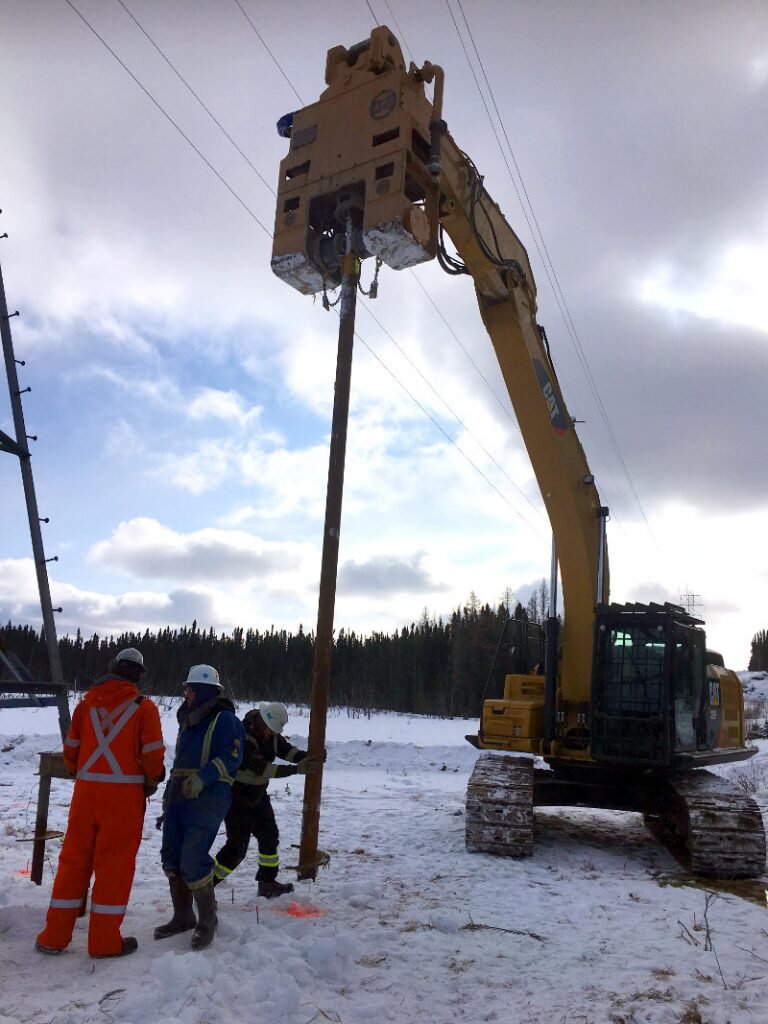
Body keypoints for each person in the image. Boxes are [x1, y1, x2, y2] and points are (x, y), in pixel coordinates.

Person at [35, 647, 165, 958]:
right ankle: (105, 942)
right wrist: (153, 778)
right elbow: (153, 759)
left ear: (112, 668)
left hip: (85, 798)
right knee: (114, 867)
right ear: (138, 675)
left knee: (73, 864)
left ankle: (53, 936)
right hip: (123, 801)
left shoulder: (86, 706)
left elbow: (71, 754)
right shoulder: (143, 708)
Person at [155, 665, 244, 950]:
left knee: (193, 858)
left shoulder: (225, 720)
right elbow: (180, 765)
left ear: (205, 691)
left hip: (208, 798)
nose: (187, 694)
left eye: (191, 690)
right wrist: (168, 800)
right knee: (171, 856)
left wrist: (202, 778)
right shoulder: (188, 721)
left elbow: (231, 758)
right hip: (180, 797)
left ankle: (208, 920)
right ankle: (183, 916)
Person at [213, 701, 320, 898]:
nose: (272, 734)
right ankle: (207, 885)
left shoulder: (271, 735)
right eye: (271, 730)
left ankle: (267, 882)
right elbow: (263, 769)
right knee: (237, 847)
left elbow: (287, 751)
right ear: (261, 722)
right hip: (236, 799)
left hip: (258, 797)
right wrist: (297, 769)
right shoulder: (242, 737)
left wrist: (309, 757)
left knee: (269, 838)